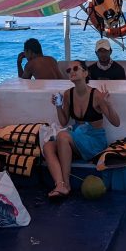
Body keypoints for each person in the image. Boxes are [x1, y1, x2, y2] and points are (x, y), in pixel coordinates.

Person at [43, 60, 120, 199]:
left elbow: (116, 122)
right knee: (48, 146)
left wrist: (108, 104)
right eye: (68, 70)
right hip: (77, 139)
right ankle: (59, 183)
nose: (71, 71)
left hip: (94, 142)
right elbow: (64, 121)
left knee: (63, 136)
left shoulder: (96, 95)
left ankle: (66, 185)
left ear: (85, 72)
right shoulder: (68, 95)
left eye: (75, 68)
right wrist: (58, 106)